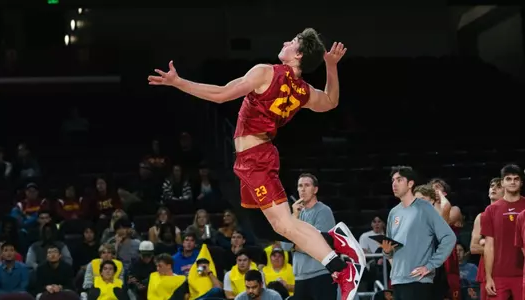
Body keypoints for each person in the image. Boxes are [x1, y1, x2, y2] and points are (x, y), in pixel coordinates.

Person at [148, 28, 365, 299]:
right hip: (254, 158)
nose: (285, 41)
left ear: (297, 54)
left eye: (292, 41)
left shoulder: (266, 72)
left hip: (257, 158)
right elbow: (331, 101)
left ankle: (339, 261)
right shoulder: (302, 90)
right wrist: (331, 67)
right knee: (270, 227)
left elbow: (222, 94)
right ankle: (334, 247)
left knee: (284, 225)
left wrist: (179, 82)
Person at [382, 166, 456, 300]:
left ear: (410, 184)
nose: (394, 184)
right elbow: (390, 249)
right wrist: (387, 252)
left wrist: (430, 266)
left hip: (418, 280)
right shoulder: (394, 212)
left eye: (399, 180)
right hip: (397, 280)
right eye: (393, 180)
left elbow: (449, 237)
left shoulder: (424, 207)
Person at [482, 164, 525, 300]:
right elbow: (489, 245)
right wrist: (488, 277)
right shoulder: (490, 210)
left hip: (523, 273)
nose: (512, 182)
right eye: (508, 179)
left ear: (521, 182)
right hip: (499, 274)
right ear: (502, 182)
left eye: (516, 179)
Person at [470, 178, 503, 300]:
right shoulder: (481, 216)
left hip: (511, 268)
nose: (493, 188)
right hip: (488, 269)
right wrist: (495, 248)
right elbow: (473, 247)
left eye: (498, 186)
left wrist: (487, 244)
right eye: (492, 185)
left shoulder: (515, 214)